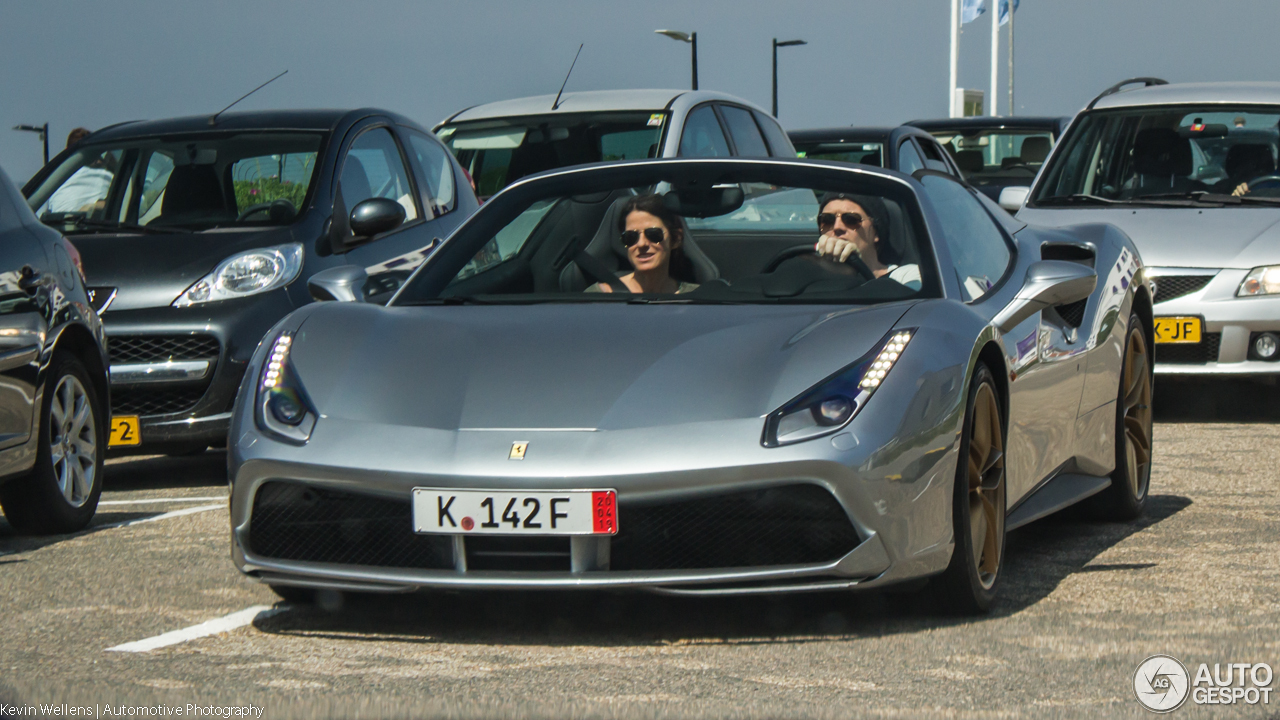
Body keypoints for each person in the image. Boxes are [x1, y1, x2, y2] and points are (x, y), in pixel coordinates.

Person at [586, 194, 699, 294]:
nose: (641, 244)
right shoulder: (598, 297)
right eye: (631, 237)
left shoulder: (698, 299)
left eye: (653, 234)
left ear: (675, 240)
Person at [813, 193, 921, 289]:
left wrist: (855, 272)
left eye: (851, 219)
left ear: (876, 232)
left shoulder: (907, 276)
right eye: (827, 220)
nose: (837, 227)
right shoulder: (809, 275)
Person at [45, 128, 116, 215]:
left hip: (56, 225)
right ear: (96, 154)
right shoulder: (107, 176)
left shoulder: (56, 179)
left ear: (67, 150)